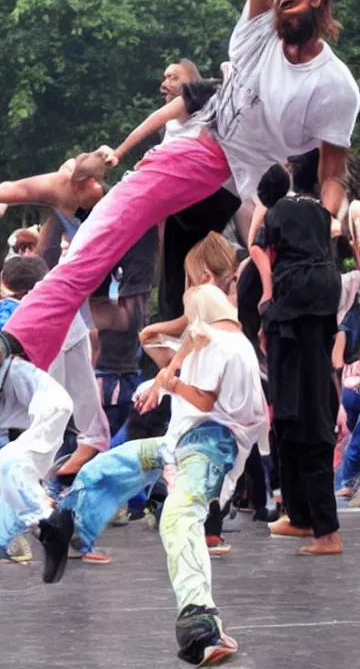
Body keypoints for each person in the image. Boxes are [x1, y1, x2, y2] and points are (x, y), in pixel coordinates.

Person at [0, 0, 360, 373]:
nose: (280, 2)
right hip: (199, 159)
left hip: (235, 190)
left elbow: (332, 173)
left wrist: (324, 219)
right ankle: (20, 341)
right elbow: (156, 119)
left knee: (213, 282)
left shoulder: (335, 88)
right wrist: (118, 151)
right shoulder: (258, 30)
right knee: (105, 237)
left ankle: (247, 364)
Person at [37, 284, 267, 666]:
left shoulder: (227, 346)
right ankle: (68, 523)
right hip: (177, 445)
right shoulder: (197, 349)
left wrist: (174, 373)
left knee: (178, 515)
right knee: (108, 466)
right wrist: (175, 358)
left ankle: (199, 621)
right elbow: (148, 337)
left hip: (209, 448)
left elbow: (206, 401)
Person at [251, 164, 342, 554]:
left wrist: (268, 298)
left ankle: (325, 531)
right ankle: (304, 519)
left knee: (301, 416)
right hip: (320, 296)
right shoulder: (318, 210)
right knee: (299, 412)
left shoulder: (275, 213)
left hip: (294, 303)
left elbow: (257, 247)